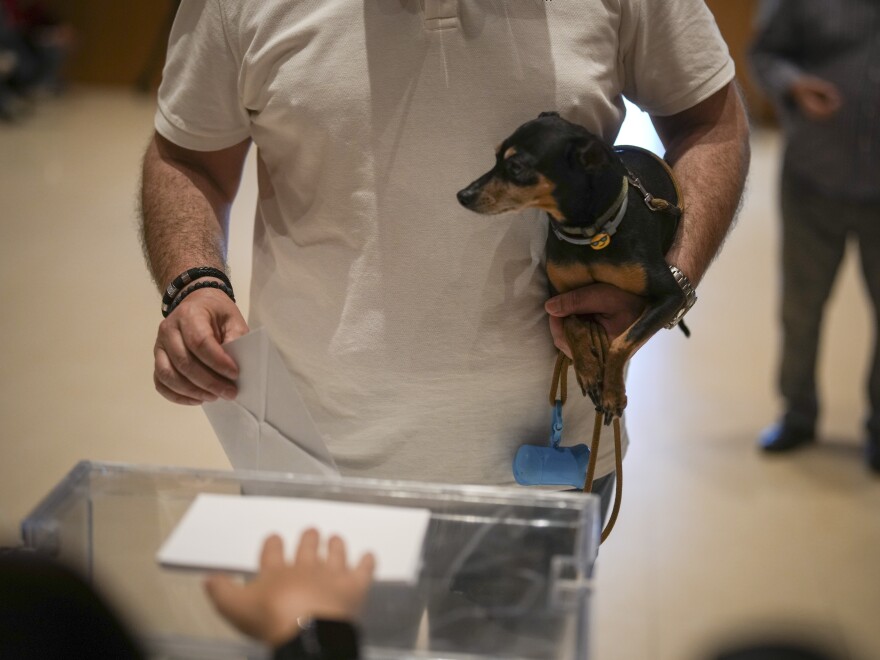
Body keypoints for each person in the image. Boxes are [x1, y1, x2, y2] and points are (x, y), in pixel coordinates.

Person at [140, 1, 750, 516]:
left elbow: (709, 119)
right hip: (310, 459)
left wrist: (662, 278)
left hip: (548, 463)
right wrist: (195, 282)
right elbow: (187, 157)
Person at [749, 0, 880, 472]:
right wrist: (793, 85)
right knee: (801, 309)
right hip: (813, 179)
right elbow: (763, 54)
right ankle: (797, 415)